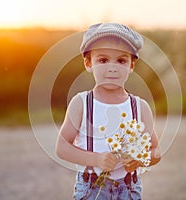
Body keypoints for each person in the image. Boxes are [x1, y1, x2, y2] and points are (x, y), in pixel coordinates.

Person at [56, 22, 161, 200]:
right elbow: (61, 148)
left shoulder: (140, 107)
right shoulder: (82, 103)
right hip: (91, 188)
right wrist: (96, 160)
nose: (112, 67)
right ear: (88, 64)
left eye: (121, 60)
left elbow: (156, 151)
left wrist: (141, 158)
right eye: (103, 60)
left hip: (128, 189)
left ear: (131, 66)